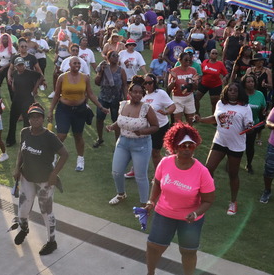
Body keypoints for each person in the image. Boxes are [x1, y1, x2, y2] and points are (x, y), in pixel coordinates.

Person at [145, 123, 215, 275]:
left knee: (188, 252)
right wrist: (151, 201)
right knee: (153, 246)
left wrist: (196, 213)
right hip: (164, 213)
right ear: (175, 146)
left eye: (190, 146)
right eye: (183, 145)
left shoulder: (202, 172)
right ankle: (150, 273)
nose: (187, 149)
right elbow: (157, 183)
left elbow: (208, 200)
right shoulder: (165, 162)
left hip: (190, 219)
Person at [12, 103, 69, 256]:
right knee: (23, 209)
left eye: (38, 117)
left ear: (43, 119)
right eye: (32, 117)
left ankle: (52, 242)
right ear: (28, 119)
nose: (35, 120)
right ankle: (24, 229)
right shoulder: (25, 132)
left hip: (45, 181)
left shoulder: (50, 137)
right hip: (27, 177)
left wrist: (54, 174)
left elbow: (65, 154)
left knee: (46, 211)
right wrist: (18, 167)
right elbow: (21, 151)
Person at [195, 83, 253, 215]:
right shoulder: (221, 104)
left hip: (236, 145)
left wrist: (249, 127)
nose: (232, 92)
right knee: (208, 169)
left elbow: (249, 125)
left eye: (235, 90)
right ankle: (207, 195)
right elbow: (215, 119)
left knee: (232, 174)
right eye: (230, 90)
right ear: (226, 91)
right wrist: (201, 120)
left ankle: (233, 202)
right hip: (220, 141)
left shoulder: (245, 107)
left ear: (240, 93)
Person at [48, 57, 109, 171]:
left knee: (78, 135)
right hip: (64, 109)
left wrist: (100, 107)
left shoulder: (85, 78)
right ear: (69, 64)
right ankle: (53, 156)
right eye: (74, 63)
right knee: (62, 135)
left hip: (80, 110)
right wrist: (51, 110)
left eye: (79, 63)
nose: (77, 65)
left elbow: (90, 94)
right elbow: (56, 95)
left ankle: (80, 159)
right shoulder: (62, 77)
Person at [106, 76, 159, 205]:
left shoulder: (146, 108)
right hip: (123, 142)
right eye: (135, 92)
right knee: (116, 172)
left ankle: (143, 204)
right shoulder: (123, 104)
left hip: (141, 144)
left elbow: (155, 126)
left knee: (140, 176)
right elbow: (121, 121)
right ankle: (121, 194)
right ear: (129, 93)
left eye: (140, 93)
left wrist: (142, 131)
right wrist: (112, 126)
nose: (137, 95)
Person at [5, 57, 44, 147]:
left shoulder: (30, 73)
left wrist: (35, 89)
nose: (21, 67)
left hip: (27, 99)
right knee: (12, 120)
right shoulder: (14, 73)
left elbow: (41, 76)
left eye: (22, 65)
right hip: (17, 99)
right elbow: (13, 81)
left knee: (27, 121)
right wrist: (13, 85)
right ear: (15, 66)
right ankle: (11, 140)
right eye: (19, 65)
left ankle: (27, 140)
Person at [93, 50, 127, 148]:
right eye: (113, 56)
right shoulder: (104, 68)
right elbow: (97, 82)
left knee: (116, 120)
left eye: (117, 56)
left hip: (116, 98)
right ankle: (100, 138)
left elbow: (124, 85)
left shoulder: (121, 70)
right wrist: (101, 72)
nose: (116, 57)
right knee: (99, 118)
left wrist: (125, 98)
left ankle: (118, 143)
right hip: (104, 97)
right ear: (108, 58)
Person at [142, 73, 175, 169]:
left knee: (155, 152)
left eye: (150, 83)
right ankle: (136, 169)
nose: (147, 85)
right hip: (146, 127)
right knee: (141, 150)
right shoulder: (142, 94)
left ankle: (160, 173)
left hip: (159, 127)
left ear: (154, 83)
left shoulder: (160, 93)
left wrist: (166, 112)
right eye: (145, 83)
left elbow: (172, 106)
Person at [241, 74, 267, 174]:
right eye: (248, 82)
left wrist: (265, 112)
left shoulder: (260, 94)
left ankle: (249, 164)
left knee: (250, 146)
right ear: (244, 83)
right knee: (236, 145)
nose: (251, 83)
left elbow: (263, 108)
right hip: (240, 125)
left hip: (253, 125)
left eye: (252, 81)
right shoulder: (240, 94)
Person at [167, 52, 199, 124]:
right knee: (178, 122)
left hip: (189, 97)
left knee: (190, 121)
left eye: (189, 60)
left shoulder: (193, 70)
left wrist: (193, 82)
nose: (188, 62)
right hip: (177, 98)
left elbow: (196, 88)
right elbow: (169, 88)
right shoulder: (174, 71)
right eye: (186, 60)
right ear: (180, 60)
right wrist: (173, 81)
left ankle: (189, 135)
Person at [196, 49, 227, 114]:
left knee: (214, 103)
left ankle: (214, 118)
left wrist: (225, 78)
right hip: (204, 83)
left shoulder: (220, 64)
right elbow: (201, 72)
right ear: (210, 54)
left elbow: (226, 73)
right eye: (213, 53)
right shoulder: (205, 62)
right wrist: (198, 78)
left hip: (215, 85)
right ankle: (196, 114)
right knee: (196, 98)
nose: (214, 55)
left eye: (216, 54)